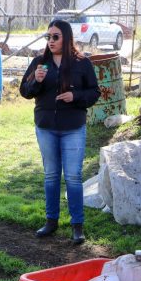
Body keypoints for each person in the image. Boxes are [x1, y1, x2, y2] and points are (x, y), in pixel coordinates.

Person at [19, 19, 100, 245]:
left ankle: (77, 225)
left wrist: (76, 97)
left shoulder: (81, 63)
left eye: (55, 37)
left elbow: (94, 92)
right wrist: (35, 80)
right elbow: (25, 92)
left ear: (66, 38)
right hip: (46, 127)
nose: (51, 41)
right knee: (51, 176)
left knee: (73, 176)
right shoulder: (39, 62)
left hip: (73, 127)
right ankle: (51, 221)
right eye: (48, 37)